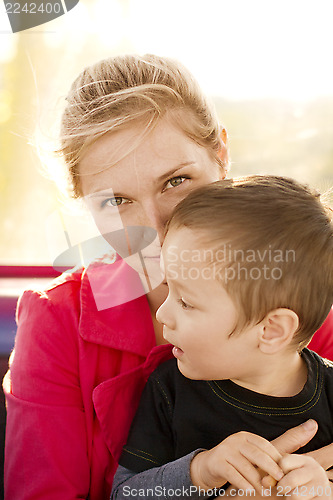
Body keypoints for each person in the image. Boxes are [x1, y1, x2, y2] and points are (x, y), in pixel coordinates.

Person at [3, 55, 333, 500]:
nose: (156, 230)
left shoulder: (291, 289)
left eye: (175, 181)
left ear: (221, 154)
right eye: (117, 202)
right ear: (83, 203)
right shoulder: (58, 321)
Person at [112, 175, 333, 500]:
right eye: (167, 289)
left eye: (186, 302)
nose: (163, 315)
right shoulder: (169, 389)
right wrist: (200, 471)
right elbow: (124, 494)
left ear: (271, 330)